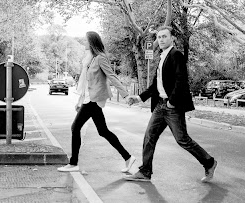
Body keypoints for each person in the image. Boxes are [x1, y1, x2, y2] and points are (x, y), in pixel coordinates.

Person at [126, 26, 217, 183]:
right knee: (149, 136)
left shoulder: (176, 55)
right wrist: (139, 98)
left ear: (172, 38)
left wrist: (172, 103)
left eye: (164, 36)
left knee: (182, 139)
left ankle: (209, 162)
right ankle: (145, 171)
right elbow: (155, 85)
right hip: (160, 106)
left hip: (171, 106)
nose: (161, 39)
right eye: (159, 37)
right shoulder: (162, 57)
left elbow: (181, 81)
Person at [58, 31, 137, 173]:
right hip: (89, 100)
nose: (84, 43)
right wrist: (80, 100)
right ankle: (128, 157)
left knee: (75, 128)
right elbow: (87, 83)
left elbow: (111, 76)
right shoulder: (90, 59)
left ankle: (74, 163)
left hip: (94, 101)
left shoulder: (100, 58)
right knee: (103, 131)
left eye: (86, 40)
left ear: (92, 42)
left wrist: (125, 95)